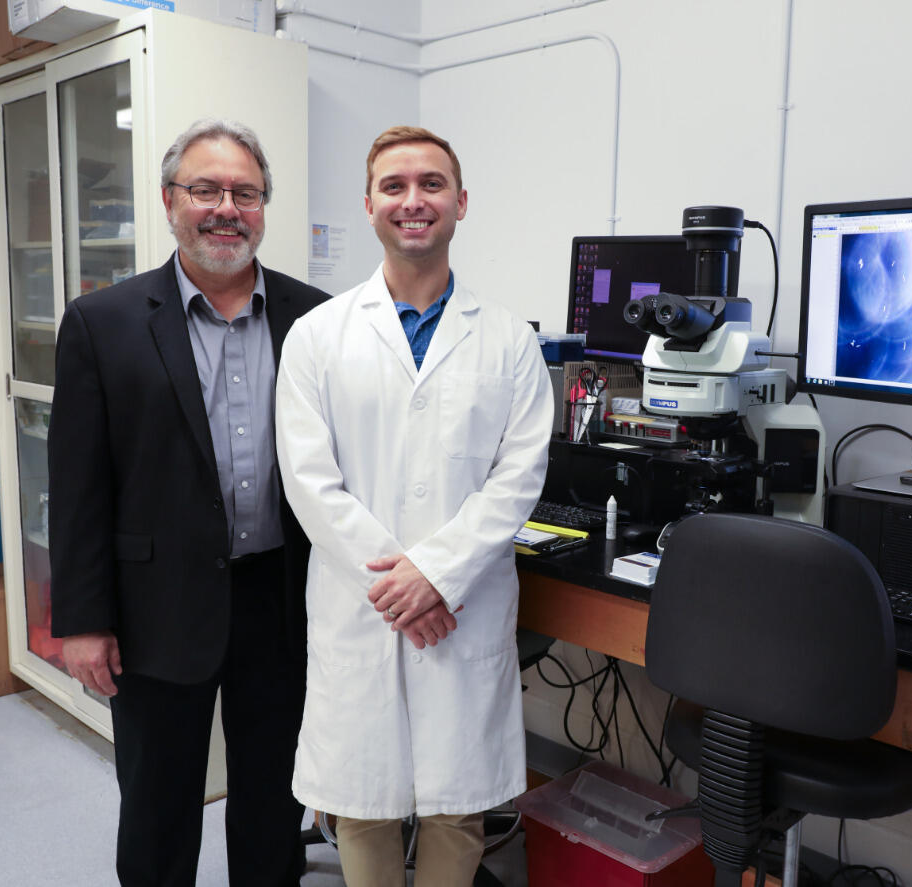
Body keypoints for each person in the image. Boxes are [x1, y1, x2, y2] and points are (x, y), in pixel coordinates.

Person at [48, 118, 328, 886]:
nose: (225, 207)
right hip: (153, 603)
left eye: (244, 191)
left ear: (264, 206)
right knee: (158, 801)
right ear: (171, 200)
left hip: (279, 599)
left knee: (274, 798)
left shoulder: (315, 318)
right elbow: (76, 484)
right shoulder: (103, 323)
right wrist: (81, 619)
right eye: (205, 189)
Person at [274, 126, 552, 887]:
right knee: (359, 802)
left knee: (453, 808)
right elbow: (309, 480)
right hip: (361, 602)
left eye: (431, 184)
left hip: (458, 605)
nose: (412, 200)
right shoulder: (316, 337)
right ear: (368, 205)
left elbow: (518, 478)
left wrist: (436, 573)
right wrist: (406, 585)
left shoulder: (507, 342)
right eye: (393, 186)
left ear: (460, 202)